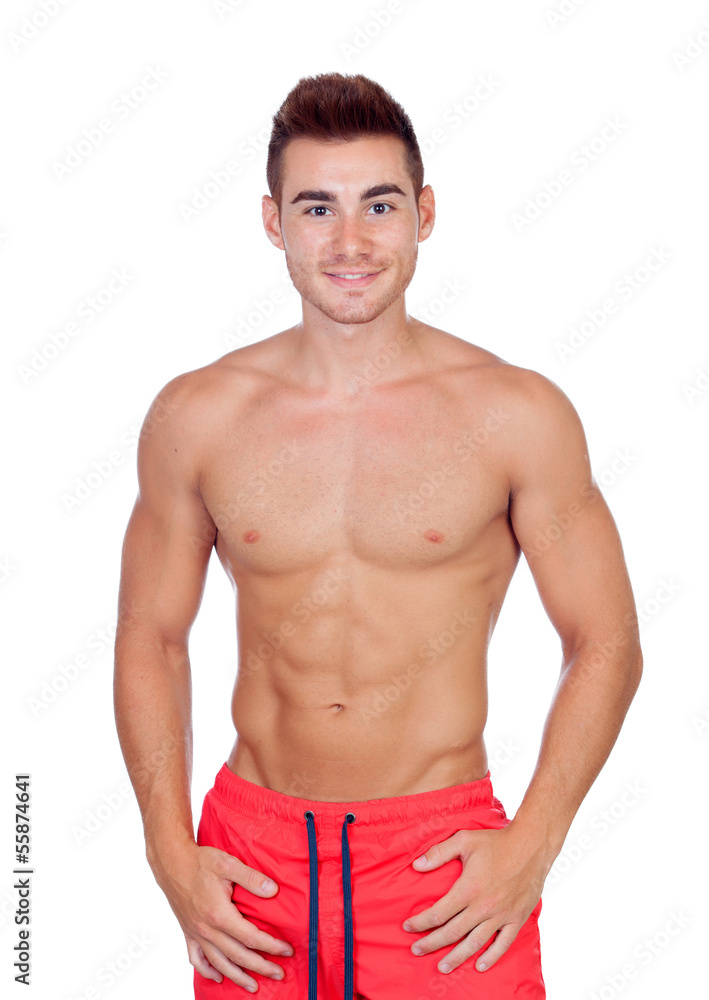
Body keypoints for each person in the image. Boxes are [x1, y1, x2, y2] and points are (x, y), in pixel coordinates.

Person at [113, 71, 643, 999]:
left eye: (379, 205)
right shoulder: (196, 416)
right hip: (252, 871)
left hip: (442, 870)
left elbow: (606, 643)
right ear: (273, 221)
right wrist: (167, 849)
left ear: (424, 213)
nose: (350, 241)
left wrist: (535, 842)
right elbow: (150, 638)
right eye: (317, 207)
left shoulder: (516, 414)